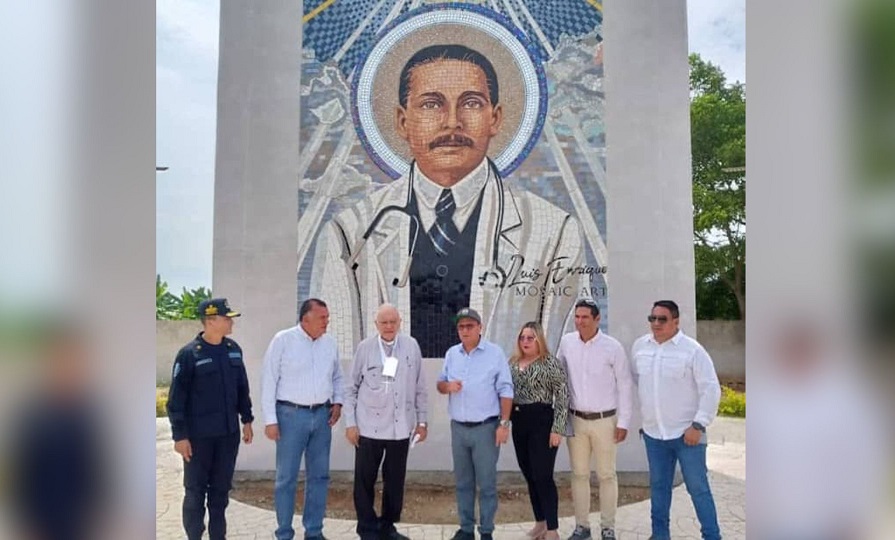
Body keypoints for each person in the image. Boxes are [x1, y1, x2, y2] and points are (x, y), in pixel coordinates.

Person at [311, 43, 584, 358]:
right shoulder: (349, 233)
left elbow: (563, 360)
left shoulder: (554, 233)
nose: (452, 122)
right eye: (431, 104)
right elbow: (340, 362)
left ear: (494, 118)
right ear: (402, 121)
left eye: (470, 103)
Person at [630, 300, 722, 540]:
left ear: (676, 321)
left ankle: (712, 536)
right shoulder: (640, 347)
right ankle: (660, 535)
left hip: (687, 435)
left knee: (698, 489)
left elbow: (711, 389)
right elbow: (640, 383)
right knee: (659, 489)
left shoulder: (692, 350)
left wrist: (698, 425)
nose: (656, 324)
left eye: (662, 319)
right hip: (653, 436)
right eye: (653, 319)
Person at [167, 298, 254, 540]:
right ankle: (194, 536)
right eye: (227, 318)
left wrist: (247, 420)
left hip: (227, 436)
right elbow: (176, 400)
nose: (231, 322)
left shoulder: (233, 350)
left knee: (220, 493)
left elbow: (242, 388)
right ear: (211, 321)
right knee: (195, 493)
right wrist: (180, 436)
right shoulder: (189, 355)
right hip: (198, 439)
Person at [261, 298, 345, 540]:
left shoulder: (329, 343)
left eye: (327, 317)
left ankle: (314, 532)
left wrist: (338, 402)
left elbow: (338, 377)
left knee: (319, 476)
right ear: (305, 318)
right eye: (323, 318)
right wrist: (270, 420)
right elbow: (268, 380)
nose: (327, 322)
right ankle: (284, 533)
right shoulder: (283, 341)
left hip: (322, 417)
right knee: (286, 478)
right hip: (290, 416)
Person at [343, 304, 429, 540]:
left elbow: (420, 387)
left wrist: (422, 421)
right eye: (384, 323)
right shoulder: (365, 348)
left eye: (393, 322)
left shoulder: (411, 346)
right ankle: (367, 529)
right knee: (364, 481)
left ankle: (388, 527)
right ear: (376, 325)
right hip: (368, 427)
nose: (389, 327)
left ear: (400, 322)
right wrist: (350, 424)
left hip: (400, 427)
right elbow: (350, 389)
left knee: (395, 482)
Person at [557, 299, 634, 540]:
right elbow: (558, 376)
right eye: (577, 317)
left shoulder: (612, 347)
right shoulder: (567, 342)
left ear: (597, 319)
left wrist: (623, 422)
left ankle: (608, 527)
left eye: (585, 317)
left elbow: (625, 385)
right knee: (579, 474)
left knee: (606, 475)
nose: (580, 322)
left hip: (605, 421)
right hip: (576, 420)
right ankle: (582, 527)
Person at [437, 307, 514, 540]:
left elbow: (506, 389)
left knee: (487, 484)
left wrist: (504, 424)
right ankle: (466, 529)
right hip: (459, 429)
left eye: (469, 326)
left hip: (486, 429)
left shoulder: (495, 353)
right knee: (462, 482)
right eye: (461, 327)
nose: (465, 330)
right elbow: (440, 383)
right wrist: (447, 387)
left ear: (480, 328)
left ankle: (487, 530)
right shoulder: (452, 354)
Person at [508, 321, 569, 540]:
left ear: (539, 339)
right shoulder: (513, 363)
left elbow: (562, 397)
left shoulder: (550, 363)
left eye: (530, 337)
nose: (525, 341)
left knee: (543, 476)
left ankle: (552, 528)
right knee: (530, 476)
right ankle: (540, 523)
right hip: (519, 422)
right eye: (522, 337)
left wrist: (558, 429)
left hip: (542, 423)